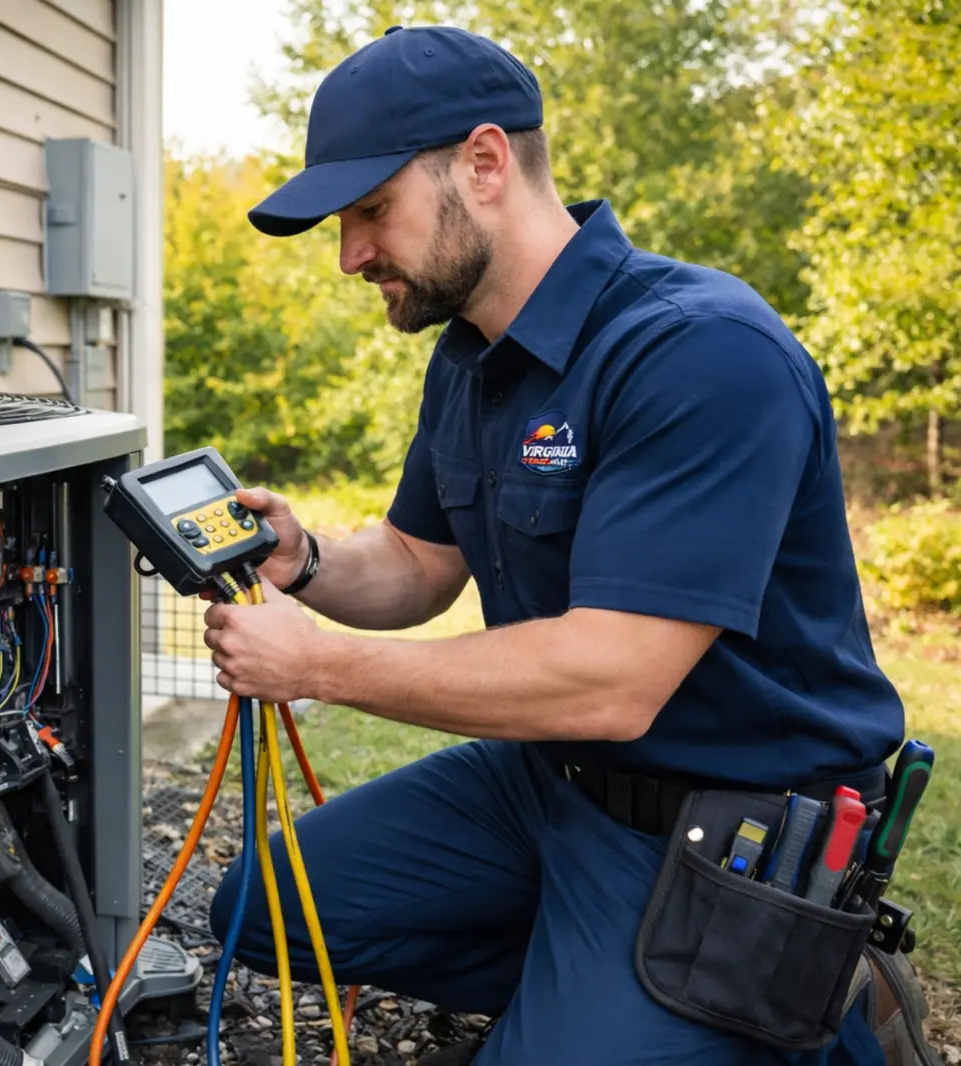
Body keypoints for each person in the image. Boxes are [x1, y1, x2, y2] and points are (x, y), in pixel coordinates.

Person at [201, 23, 936, 1066]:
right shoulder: (468, 360)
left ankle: (805, 988)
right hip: (551, 786)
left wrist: (317, 664)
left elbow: (612, 680)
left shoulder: (697, 352)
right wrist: (306, 559)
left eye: (371, 211)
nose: (351, 255)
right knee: (264, 904)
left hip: (728, 828)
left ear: (485, 163)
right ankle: (617, 985)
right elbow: (417, 564)